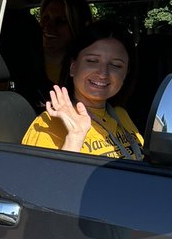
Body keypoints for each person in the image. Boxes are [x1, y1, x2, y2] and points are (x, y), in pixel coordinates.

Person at [21, 20, 143, 158]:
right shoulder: (49, 122)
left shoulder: (121, 115)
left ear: (126, 73)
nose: (103, 73)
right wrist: (75, 137)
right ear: (73, 67)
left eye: (115, 65)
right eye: (92, 61)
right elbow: (39, 179)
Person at [38, 0, 93, 88]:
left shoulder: (86, 70)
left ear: (78, 26)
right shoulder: (23, 60)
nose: (48, 26)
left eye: (60, 21)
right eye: (46, 18)